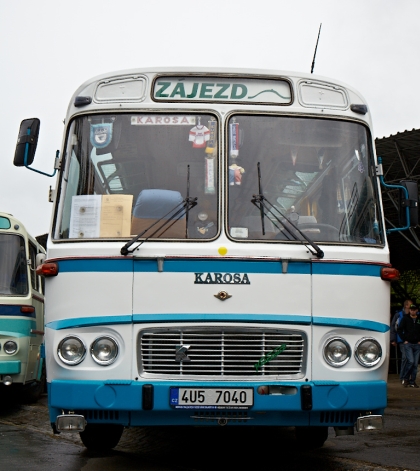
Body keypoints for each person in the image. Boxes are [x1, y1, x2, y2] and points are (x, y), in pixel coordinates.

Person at [397, 304, 420, 388]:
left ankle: (412, 381)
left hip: (417, 344)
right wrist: (404, 339)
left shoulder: (418, 319)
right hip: (408, 344)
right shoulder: (405, 318)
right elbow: (399, 329)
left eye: (414, 309)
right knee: (411, 361)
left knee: (415, 364)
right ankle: (406, 378)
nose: (412, 311)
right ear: (409, 310)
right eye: (411, 309)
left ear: (416, 310)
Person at [390, 299, 412, 384]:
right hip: (402, 340)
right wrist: (393, 339)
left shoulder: (414, 315)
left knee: (410, 359)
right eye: (410, 304)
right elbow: (393, 327)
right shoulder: (398, 315)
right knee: (405, 358)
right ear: (406, 306)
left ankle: (406, 377)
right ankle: (403, 377)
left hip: (411, 340)